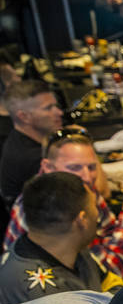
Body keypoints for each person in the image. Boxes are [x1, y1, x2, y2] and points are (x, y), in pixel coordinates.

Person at [4, 129, 123, 279]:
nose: (86, 177)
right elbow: (109, 274)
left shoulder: (76, 187)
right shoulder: (46, 206)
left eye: (92, 167)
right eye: (75, 167)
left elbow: (108, 231)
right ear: (48, 167)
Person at [0, 172, 122, 304]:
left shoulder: (74, 248)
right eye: (94, 206)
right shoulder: (40, 297)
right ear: (82, 220)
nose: (98, 214)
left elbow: (111, 284)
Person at [0, 80, 64, 209]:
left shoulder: (17, 140)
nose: (59, 112)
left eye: (56, 106)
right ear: (24, 117)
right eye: (48, 108)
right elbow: (100, 191)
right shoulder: (32, 158)